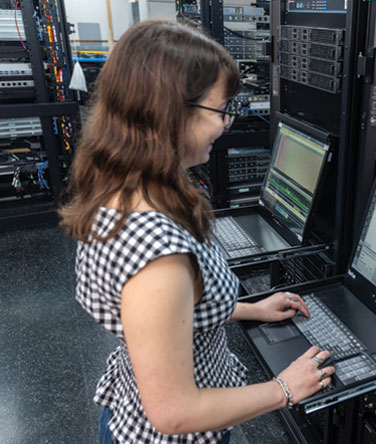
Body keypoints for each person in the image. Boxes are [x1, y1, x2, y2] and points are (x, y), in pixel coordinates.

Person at [59, 18, 335, 444]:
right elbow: (174, 411)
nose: (227, 123)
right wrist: (284, 389)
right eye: (221, 109)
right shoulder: (158, 252)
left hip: (131, 411)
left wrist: (250, 308)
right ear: (170, 112)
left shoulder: (124, 185)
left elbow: (168, 319)